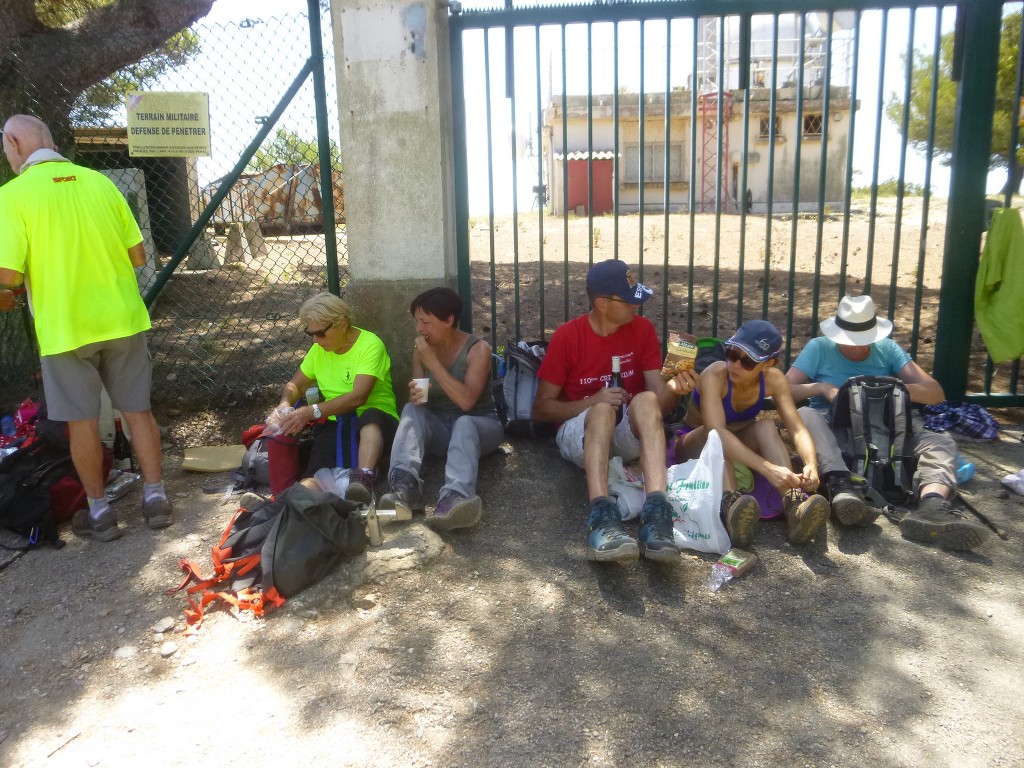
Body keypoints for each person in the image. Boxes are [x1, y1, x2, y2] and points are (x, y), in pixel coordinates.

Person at [0, 114, 170, 542]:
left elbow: (7, 278)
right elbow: (137, 256)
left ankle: (100, 514)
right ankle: (155, 498)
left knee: (82, 423)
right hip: (122, 317)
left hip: (65, 328)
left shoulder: (13, 196)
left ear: (15, 142)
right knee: (138, 411)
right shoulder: (100, 183)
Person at [785, 294, 991, 551]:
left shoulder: (889, 349)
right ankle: (841, 489)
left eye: (863, 341)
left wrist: (892, 388)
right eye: (849, 341)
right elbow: (783, 390)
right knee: (806, 416)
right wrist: (820, 388)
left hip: (891, 428)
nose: (857, 347)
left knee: (939, 442)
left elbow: (935, 392)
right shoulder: (819, 348)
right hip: (836, 429)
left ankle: (931, 507)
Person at [533, 259, 699, 563]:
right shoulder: (568, 337)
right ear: (602, 304)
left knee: (647, 400)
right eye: (629, 300)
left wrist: (674, 391)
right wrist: (591, 401)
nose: (637, 305)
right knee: (601, 411)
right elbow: (541, 409)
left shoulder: (643, 330)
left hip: (623, 433)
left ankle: (657, 514)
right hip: (580, 434)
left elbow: (658, 407)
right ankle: (601, 517)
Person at [675, 319, 829, 547]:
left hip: (738, 442)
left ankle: (794, 506)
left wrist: (811, 464)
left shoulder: (774, 380)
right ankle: (731, 505)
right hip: (693, 443)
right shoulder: (715, 375)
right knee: (717, 436)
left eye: (747, 362)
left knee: (767, 426)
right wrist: (768, 469)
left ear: (769, 364)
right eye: (731, 354)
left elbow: (796, 428)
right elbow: (716, 430)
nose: (735, 365)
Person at [379, 287, 503, 530]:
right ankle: (404, 489)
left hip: (480, 426)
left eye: (426, 322)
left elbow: (467, 402)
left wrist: (432, 363)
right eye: (417, 321)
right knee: (410, 411)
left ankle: (456, 497)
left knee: (464, 423)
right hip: (442, 428)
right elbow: (421, 402)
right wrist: (417, 394)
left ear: (449, 320)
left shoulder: (478, 350)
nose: (419, 329)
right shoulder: (423, 350)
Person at [273, 293, 399, 503]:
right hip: (334, 422)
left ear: (343, 323)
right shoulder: (318, 350)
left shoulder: (370, 345)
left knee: (370, 418)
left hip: (376, 419)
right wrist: (284, 403)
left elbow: (358, 397)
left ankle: (363, 481)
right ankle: (289, 504)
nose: (315, 340)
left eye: (320, 333)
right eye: (310, 333)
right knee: (313, 476)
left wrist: (312, 411)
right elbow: (296, 385)